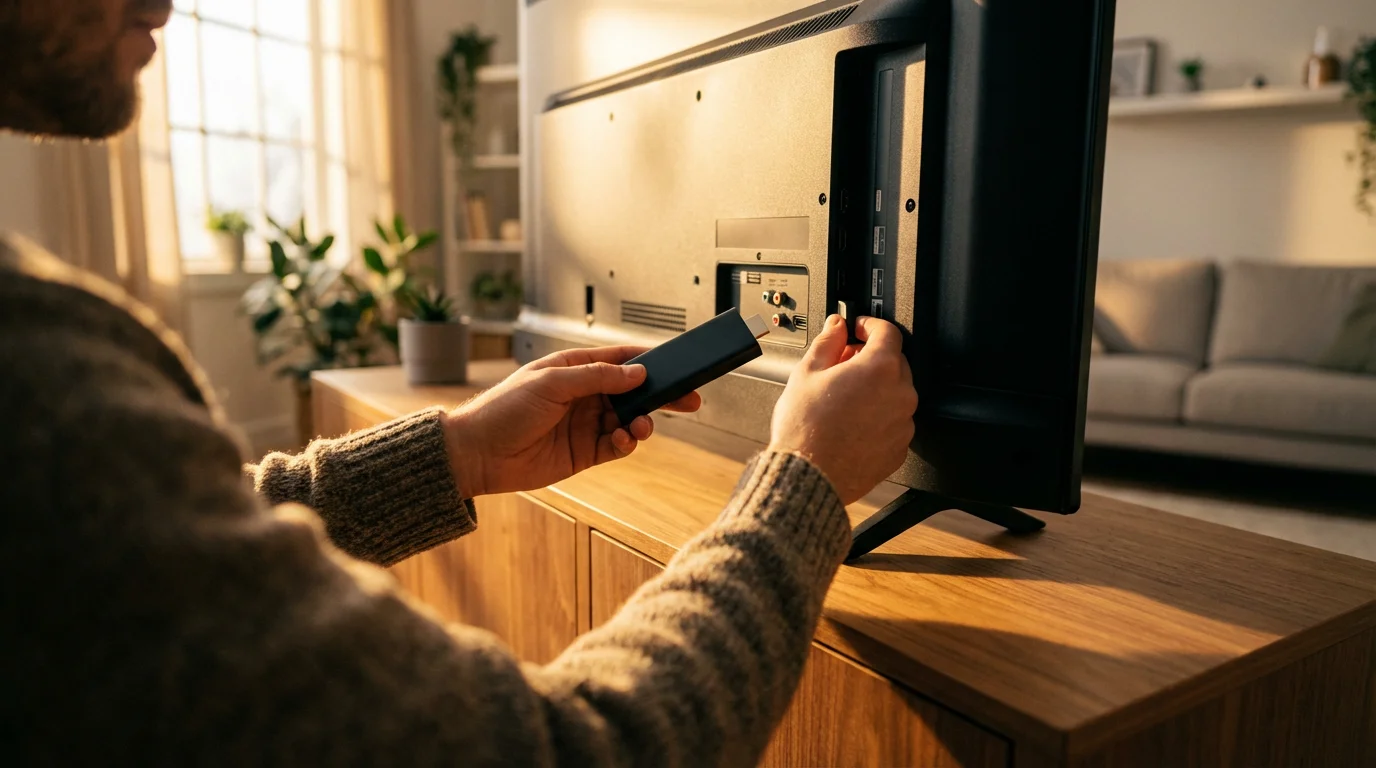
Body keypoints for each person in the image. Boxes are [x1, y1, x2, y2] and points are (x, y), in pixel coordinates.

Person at [1, 0, 919, 765]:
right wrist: (803, 481)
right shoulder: (41, 386)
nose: (162, 4)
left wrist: (456, 450)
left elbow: (177, 549)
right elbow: (581, 751)